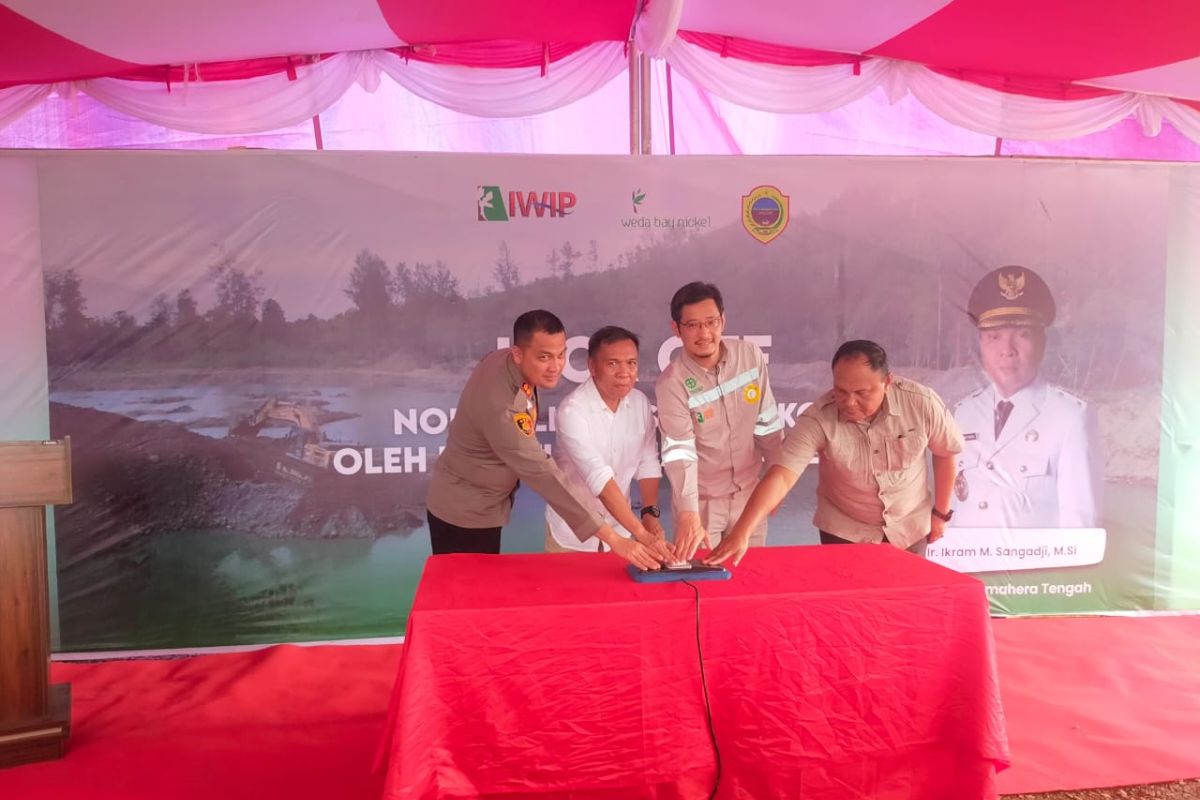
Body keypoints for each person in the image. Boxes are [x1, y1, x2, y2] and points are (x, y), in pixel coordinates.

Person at [426, 310, 665, 569]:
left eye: (561, 355)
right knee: (466, 598)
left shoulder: (509, 364)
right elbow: (543, 474)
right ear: (518, 354)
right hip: (464, 511)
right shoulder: (504, 406)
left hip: (484, 504)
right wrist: (615, 538)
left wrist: (643, 521)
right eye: (544, 357)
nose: (555, 367)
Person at [707, 340, 964, 567]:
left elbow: (946, 451)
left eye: (862, 393)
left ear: (887, 382)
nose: (849, 402)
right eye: (841, 391)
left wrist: (941, 513)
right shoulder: (819, 418)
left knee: (905, 609)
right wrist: (742, 531)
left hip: (909, 527)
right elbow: (782, 475)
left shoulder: (921, 403)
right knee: (848, 612)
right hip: (846, 531)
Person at [952, 266, 1102, 528]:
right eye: (994, 336)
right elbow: (952, 513)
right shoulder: (962, 414)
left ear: (1042, 343)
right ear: (980, 345)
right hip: (961, 568)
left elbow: (1080, 532)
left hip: (1033, 569)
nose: (1006, 350)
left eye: (1022, 334)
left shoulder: (1070, 417)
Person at [655, 282, 785, 562]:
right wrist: (688, 512)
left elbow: (768, 424)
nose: (704, 333)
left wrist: (776, 481)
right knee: (704, 584)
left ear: (722, 320)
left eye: (711, 322)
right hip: (702, 505)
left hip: (750, 496)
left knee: (751, 577)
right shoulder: (672, 383)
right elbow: (680, 453)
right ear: (676, 329)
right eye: (692, 325)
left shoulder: (750, 356)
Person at [545, 326, 674, 565]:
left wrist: (649, 514)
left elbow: (648, 463)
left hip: (623, 533)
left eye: (631, 363)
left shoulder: (640, 403)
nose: (624, 372)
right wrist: (642, 534)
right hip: (573, 536)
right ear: (592, 366)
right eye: (613, 364)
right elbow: (599, 478)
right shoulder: (572, 410)